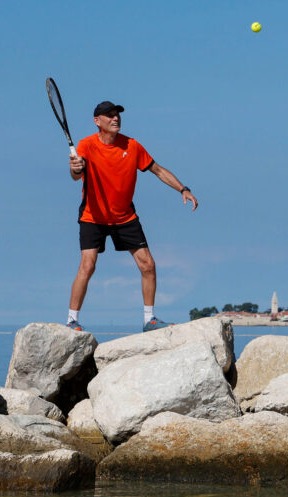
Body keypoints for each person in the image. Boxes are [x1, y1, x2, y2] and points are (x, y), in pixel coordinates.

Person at [66, 101, 198, 332]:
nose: (115, 118)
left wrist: (182, 189)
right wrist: (76, 167)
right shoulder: (86, 145)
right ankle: (71, 320)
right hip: (93, 216)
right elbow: (76, 174)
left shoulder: (132, 146)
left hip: (124, 216)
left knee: (148, 265)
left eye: (117, 115)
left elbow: (157, 169)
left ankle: (149, 320)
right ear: (97, 121)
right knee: (88, 266)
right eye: (109, 115)